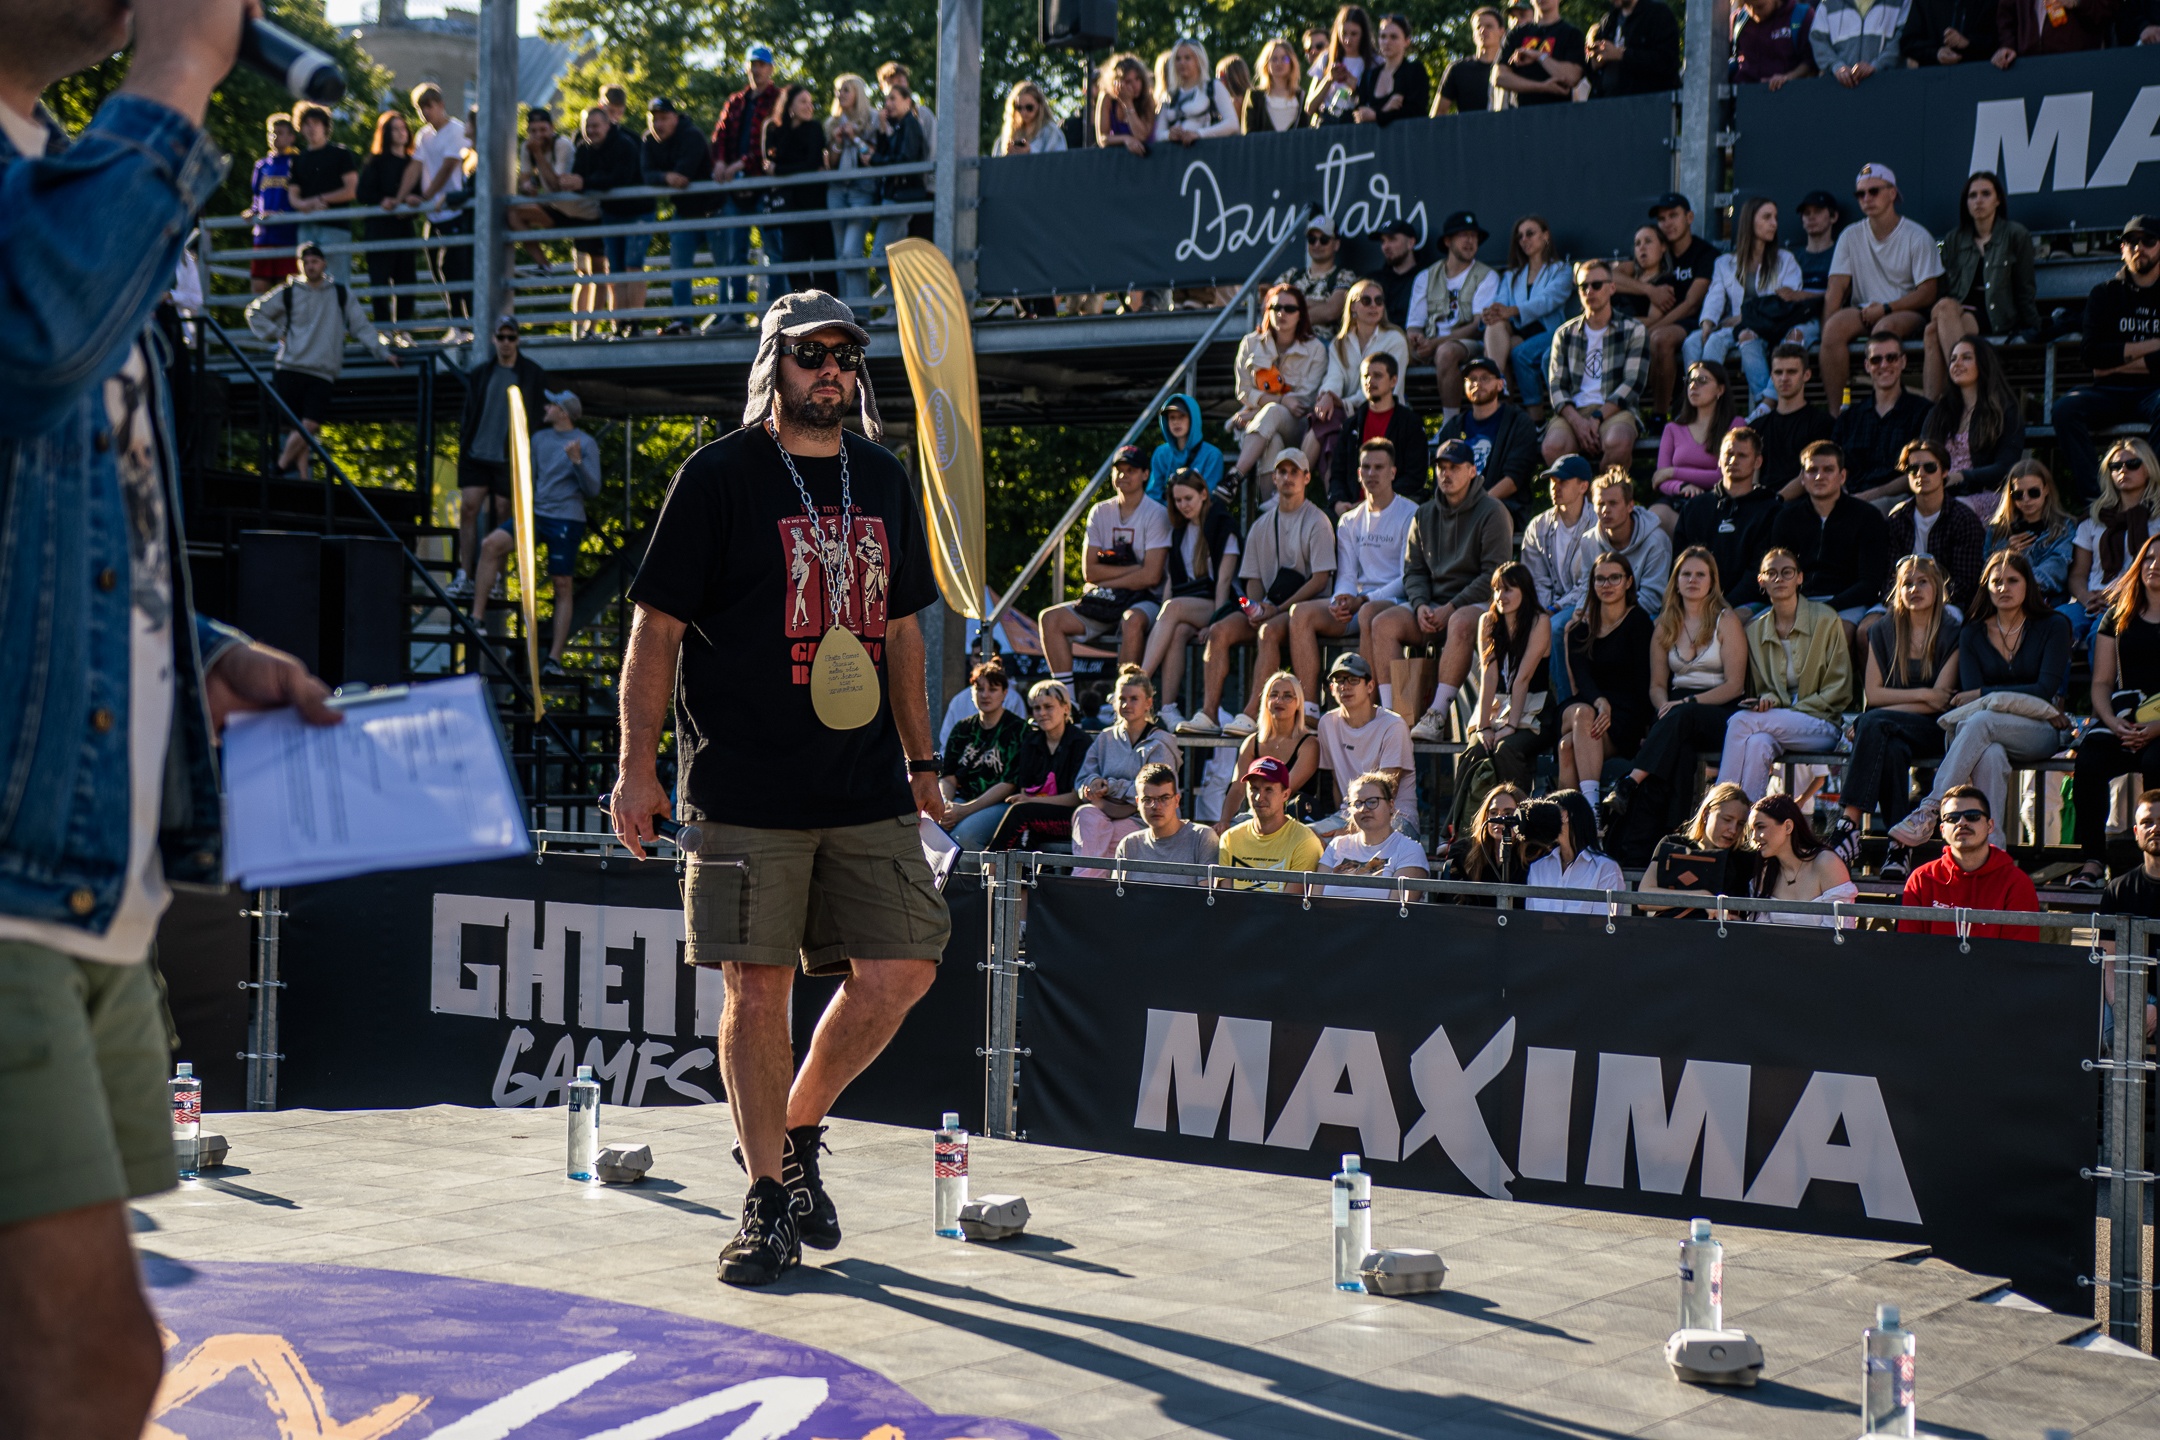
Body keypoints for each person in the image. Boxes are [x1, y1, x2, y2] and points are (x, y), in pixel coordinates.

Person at [2, 8, 350, 1434]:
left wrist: (190, 646)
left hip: (84, 876)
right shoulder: (88, 186)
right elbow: (32, 345)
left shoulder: (59, 173)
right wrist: (176, 74)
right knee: (86, 1362)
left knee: (72, 1360)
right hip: (11, 887)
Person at [610, 291, 944, 1289]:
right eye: (811, 354)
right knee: (756, 989)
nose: (831, 370)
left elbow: (903, 631)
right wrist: (635, 766)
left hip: (865, 784)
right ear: (774, 366)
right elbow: (656, 630)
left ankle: (792, 1131)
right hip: (744, 784)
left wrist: (924, 764)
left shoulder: (881, 476)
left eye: (846, 355)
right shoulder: (717, 477)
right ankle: (765, 1201)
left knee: (904, 966)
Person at [1886, 550, 2073, 850]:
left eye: (2012, 580)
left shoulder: (2054, 625)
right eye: (1996, 581)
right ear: (1986, 587)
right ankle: (1992, 852)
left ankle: (1930, 810)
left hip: (2039, 730)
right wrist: (1988, 696)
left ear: (2028, 584)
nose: (2003, 588)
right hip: (1988, 734)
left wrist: (1986, 694)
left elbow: (2043, 689)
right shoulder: (1973, 632)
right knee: (1990, 754)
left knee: (1983, 720)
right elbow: (1970, 698)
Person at [1607, 547, 1751, 849]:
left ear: (1712, 581)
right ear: (1676, 580)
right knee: (1679, 755)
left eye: (1700, 574)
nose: (1693, 580)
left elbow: (1735, 686)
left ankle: (1630, 781)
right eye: (1686, 574)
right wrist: (1664, 708)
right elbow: (1657, 685)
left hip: (1718, 710)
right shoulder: (1664, 624)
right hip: (1675, 711)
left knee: (1681, 719)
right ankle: (1664, 838)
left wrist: (1685, 705)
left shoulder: (1726, 620)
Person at [1377, 440, 1516, 742]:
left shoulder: (1493, 512)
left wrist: (1451, 607)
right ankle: (1391, 716)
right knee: (1382, 623)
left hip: (1477, 603)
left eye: (1454, 467)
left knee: (1461, 621)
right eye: (1441, 467)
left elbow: (1494, 575)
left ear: (1472, 471)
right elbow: (1414, 570)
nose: (1446, 474)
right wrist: (1420, 605)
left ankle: (1436, 714)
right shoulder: (1424, 514)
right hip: (1432, 605)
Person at [1192, 451, 1336, 736]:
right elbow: (1253, 580)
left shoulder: (1318, 520)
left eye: (1295, 472)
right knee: (1219, 631)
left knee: (1268, 631)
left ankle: (1251, 714)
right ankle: (1208, 714)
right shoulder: (1260, 525)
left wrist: (1274, 610)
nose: (1288, 477)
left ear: (1307, 478)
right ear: (1274, 478)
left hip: (1306, 607)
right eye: (1282, 472)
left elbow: (1320, 580)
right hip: (1271, 607)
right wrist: (1254, 608)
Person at [470, 388, 601, 676]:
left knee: (562, 584)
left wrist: (577, 462)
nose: (545, 408)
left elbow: (593, 489)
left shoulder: (586, 443)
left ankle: (554, 659)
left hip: (566, 519)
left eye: (551, 405)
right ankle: (476, 618)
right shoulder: (540, 439)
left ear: (563, 413)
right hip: (535, 515)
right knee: (491, 544)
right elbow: (527, 478)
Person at [243, 243, 400, 482]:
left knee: (309, 425)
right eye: (305, 262)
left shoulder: (340, 293)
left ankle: (280, 468)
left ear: (324, 263)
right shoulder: (289, 291)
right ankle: (303, 477)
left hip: (322, 371)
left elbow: (360, 326)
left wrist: (383, 353)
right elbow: (254, 312)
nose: (310, 266)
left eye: (314, 261)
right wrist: (277, 333)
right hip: (290, 367)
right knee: (299, 429)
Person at [1845, 555, 1960, 876]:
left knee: (1873, 722)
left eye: (1922, 582)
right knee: (1891, 746)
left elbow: (1941, 704)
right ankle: (1899, 847)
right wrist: (1924, 694)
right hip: (1891, 729)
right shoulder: (1883, 629)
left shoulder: (1952, 631)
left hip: (1935, 729)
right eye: (1907, 583)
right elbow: (1874, 694)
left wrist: (1878, 716)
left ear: (1937, 587)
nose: (1914, 589)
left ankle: (1848, 825)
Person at [1718, 548, 1855, 799]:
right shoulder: (1754, 631)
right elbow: (1760, 689)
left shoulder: (1826, 619)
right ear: (1761, 581)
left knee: (1740, 721)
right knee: (1757, 743)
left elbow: (1840, 689)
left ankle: (1719, 805)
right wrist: (1767, 701)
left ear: (1799, 578)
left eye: (1787, 572)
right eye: (1771, 573)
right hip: (1777, 723)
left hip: (1822, 723)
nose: (1779, 578)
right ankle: (1746, 817)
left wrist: (1790, 708)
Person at [1038, 443, 1171, 687]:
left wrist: (1107, 578)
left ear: (1145, 474)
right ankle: (1067, 699)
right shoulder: (1099, 512)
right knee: (1049, 619)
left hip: (1146, 600)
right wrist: (1135, 569)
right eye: (1118, 469)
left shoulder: (1157, 514)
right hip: (1106, 599)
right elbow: (1089, 572)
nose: (1123, 475)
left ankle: (1123, 696)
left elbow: (1151, 577)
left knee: (1132, 620)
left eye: (1131, 470)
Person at [1296, 438, 1415, 705]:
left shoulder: (1411, 513)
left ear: (1393, 472)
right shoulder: (1349, 520)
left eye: (1379, 467)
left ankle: (1367, 706)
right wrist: (1341, 598)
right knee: (1300, 614)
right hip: (1359, 604)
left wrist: (1364, 600)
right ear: (1358, 473)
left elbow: (1407, 577)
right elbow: (1347, 575)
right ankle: (1310, 709)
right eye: (1366, 468)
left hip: (1396, 602)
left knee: (1369, 613)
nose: (1372, 473)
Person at [2071, 534, 2160, 889]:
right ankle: (2093, 860)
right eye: (2149, 558)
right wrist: (2112, 721)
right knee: (2090, 758)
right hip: (2125, 718)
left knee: (2156, 761)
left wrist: (2155, 729)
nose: (2155, 565)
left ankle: (2154, 861)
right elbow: (2101, 683)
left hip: (2159, 727)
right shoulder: (2119, 615)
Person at [1820, 163, 1943, 418]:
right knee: (1832, 330)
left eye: (1873, 191)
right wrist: (1824, 333)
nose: (1866, 198)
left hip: (1906, 312)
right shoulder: (1850, 236)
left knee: (1883, 331)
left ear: (1892, 193)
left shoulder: (1917, 235)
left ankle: (1888, 409)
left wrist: (1886, 308)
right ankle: (1835, 417)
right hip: (1865, 311)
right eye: (1860, 194)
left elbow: (1928, 293)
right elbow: (1835, 288)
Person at [2053, 217, 2160, 506]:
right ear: (2122, 249)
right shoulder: (2104, 293)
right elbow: (2091, 356)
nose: (2139, 247)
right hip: (2108, 391)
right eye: (2131, 241)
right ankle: (2099, 502)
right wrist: (2154, 345)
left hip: (2154, 391)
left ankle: (2152, 498)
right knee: (2065, 409)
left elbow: (2103, 360)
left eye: (2148, 241)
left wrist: (2115, 360)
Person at [1450, 564, 1554, 836]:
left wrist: (1510, 725)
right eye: (1496, 589)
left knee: (1506, 749)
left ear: (1524, 590)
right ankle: (1458, 831)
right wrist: (1484, 726)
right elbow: (1489, 675)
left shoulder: (1539, 621)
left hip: (1534, 708)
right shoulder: (1487, 621)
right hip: (1498, 706)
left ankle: (1521, 826)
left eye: (1508, 589)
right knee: (1475, 749)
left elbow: (1523, 678)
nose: (1500, 596)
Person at [448, 318, 547, 599]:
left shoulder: (532, 374)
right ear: (493, 339)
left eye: (510, 337)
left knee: (504, 512)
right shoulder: (481, 373)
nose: (505, 342)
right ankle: (464, 574)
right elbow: (469, 411)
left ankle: (498, 580)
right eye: (501, 337)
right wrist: (465, 441)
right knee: (468, 508)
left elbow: (537, 416)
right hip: (477, 452)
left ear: (517, 340)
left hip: (508, 457)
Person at [1925, 171, 2037, 400]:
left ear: (1998, 200)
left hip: (1993, 313)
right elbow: (1943, 288)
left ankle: (1941, 405)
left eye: (1986, 194)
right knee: (1940, 315)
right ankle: (1960, 396)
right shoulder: (1954, 239)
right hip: (1956, 310)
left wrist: (2033, 325)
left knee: (1933, 330)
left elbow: (2025, 287)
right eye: (1972, 195)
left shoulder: (2015, 234)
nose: (1978, 200)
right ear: (1965, 203)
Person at [1558, 552, 1654, 817]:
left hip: (1623, 717)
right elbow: (1581, 678)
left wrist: (1649, 727)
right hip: (1586, 703)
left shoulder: (1638, 622)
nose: (1607, 584)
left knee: (1567, 747)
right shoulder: (1580, 627)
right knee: (1583, 713)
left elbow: (1644, 679)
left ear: (1628, 582)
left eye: (1614, 578)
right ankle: (1592, 810)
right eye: (1600, 579)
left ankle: (1568, 821)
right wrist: (1600, 702)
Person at [1143, 469, 1239, 730]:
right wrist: (1161, 623)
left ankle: (1140, 680)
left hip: (1223, 606)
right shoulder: (1179, 531)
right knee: (1176, 631)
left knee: (1172, 609)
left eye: (1188, 498)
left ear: (1204, 494)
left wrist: (1215, 622)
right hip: (1189, 605)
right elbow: (1172, 582)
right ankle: (1168, 708)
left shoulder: (1222, 526)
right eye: (1177, 500)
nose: (1183, 505)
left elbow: (1224, 582)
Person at [1689, 195, 1801, 411]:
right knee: (1708, 341)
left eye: (1775, 218)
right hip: (1735, 326)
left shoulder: (1785, 260)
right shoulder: (1725, 263)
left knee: (1746, 338)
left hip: (1771, 326)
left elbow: (1784, 301)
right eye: (1767, 217)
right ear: (1749, 221)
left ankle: (1763, 405)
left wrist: (1744, 318)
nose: (1774, 224)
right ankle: (1704, 406)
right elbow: (1715, 295)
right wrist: (1708, 323)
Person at [1771, 440, 1893, 627]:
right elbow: (1777, 571)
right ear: (1802, 477)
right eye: (1812, 470)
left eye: (1828, 470)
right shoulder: (1786, 518)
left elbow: (1869, 583)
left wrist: (1827, 607)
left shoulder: (1867, 516)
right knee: (1755, 630)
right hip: (1797, 602)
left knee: (1838, 631)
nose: (1819, 476)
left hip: (1847, 604)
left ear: (1842, 476)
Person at [1543, 259, 1650, 471]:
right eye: (1583, 286)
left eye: (1597, 285)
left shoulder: (1633, 329)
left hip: (1615, 410)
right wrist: (1577, 422)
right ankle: (1577, 493)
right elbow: (1556, 386)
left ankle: (1605, 491)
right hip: (1573, 411)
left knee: (1618, 442)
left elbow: (1633, 383)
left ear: (1612, 288)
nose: (1589, 291)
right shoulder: (1564, 334)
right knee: (1553, 447)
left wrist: (1597, 417)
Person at [1072, 665, 1180, 871]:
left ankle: (1083, 884)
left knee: (1115, 838)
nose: (1126, 704)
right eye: (1122, 698)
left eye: (1134, 699)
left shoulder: (1160, 743)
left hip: (1144, 817)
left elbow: (1158, 792)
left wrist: (1111, 787)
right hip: (1104, 811)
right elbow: (1082, 779)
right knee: (1085, 814)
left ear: (1148, 702)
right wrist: (1092, 783)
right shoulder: (1105, 738)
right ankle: (1088, 883)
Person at [1897, 785, 2040, 936]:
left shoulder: (2016, 883)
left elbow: (2020, 948)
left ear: (1990, 825)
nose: (1962, 822)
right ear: (1942, 830)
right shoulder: (1921, 879)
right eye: (1952, 818)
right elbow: (1910, 946)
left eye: (1972, 816)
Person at [1228, 285, 1331, 485]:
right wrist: (1281, 400)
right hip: (1256, 428)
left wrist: (1261, 409)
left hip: (1298, 426)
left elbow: (1305, 400)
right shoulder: (1250, 343)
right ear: (1267, 310)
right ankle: (1271, 502)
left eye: (1289, 309)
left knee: (1273, 411)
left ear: (1301, 314)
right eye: (1276, 307)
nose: (1282, 313)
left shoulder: (1315, 349)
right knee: (1272, 439)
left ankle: (1235, 475)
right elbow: (1243, 391)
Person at [710, 46, 782, 318]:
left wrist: (743, 163)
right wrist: (719, 161)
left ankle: (778, 313)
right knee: (735, 251)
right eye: (753, 64)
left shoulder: (778, 99)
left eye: (762, 65)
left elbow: (773, 141)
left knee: (774, 250)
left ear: (771, 69)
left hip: (763, 185)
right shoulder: (736, 101)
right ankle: (735, 314)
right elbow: (719, 135)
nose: (756, 69)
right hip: (735, 186)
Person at [1880, 438, 1986, 620]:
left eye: (1929, 467)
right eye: (1913, 469)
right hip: (1902, 599)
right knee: (1867, 629)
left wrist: (1928, 601)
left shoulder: (1964, 519)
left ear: (1944, 472)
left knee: (1936, 624)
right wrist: (1899, 600)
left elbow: (1965, 582)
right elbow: (1888, 575)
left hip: (1948, 603)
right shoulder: (1897, 518)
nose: (1920, 474)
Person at [1314, 653, 1419, 834]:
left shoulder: (1393, 725)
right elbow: (1336, 782)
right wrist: (1343, 826)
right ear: (1331, 688)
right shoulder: (1327, 723)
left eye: (1354, 680)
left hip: (1394, 817)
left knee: (1367, 843)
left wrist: (1348, 834)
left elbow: (1386, 791)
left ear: (1370, 686)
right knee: (1306, 839)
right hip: (1347, 815)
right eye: (1339, 681)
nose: (1345, 686)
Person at [2068, 439, 2160, 646]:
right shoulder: (2093, 518)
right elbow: (2078, 574)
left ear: (2148, 469)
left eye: (2132, 464)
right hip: (2089, 600)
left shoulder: (2157, 520)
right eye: (2115, 466)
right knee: (2055, 626)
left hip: (2137, 600)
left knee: (2100, 632)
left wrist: (2118, 594)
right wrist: (2087, 598)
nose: (2123, 470)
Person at [1638, 192, 1722, 417]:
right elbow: (1614, 276)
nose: (1667, 223)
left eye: (1673, 215)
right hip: (1658, 323)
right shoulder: (1655, 249)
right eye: (1662, 219)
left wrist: (1652, 328)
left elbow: (1692, 304)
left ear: (1689, 217)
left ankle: (1659, 415)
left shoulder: (1705, 254)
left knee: (1660, 339)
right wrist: (1648, 290)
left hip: (1696, 323)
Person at [566, 104, 649, 334]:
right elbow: (578, 177)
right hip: (611, 214)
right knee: (615, 270)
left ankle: (635, 322)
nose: (591, 131)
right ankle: (619, 324)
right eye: (587, 126)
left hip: (638, 212)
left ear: (608, 125)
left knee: (633, 266)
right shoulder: (584, 149)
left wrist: (586, 182)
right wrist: (579, 182)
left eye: (596, 126)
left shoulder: (624, 144)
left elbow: (619, 178)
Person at [1677, 427, 1781, 608]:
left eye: (1742, 455)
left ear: (1757, 461)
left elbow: (1760, 570)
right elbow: (1681, 564)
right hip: (1696, 604)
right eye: (1729, 454)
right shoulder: (1694, 508)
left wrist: (1724, 606)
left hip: (1750, 606)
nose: (1733, 461)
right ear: (1719, 459)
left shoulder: (1771, 510)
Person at [644, 97, 723, 330]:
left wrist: (664, 176)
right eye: (654, 119)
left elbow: (684, 175)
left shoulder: (692, 135)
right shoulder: (649, 140)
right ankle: (682, 321)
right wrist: (665, 177)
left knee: (726, 267)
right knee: (679, 269)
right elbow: (646, 174)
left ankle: (728, 317)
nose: (658, 124)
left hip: (713, 210)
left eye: (664, 118)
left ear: (675, 118)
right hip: (684, 212)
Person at [1315, 281, 1413, 468]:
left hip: (1383, 413)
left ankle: (1304, 471)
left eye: (1379, 301)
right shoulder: (1340, 342)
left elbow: (1386, 388)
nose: (1374, 306)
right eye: (1366, 301)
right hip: (1348, 415)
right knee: (1326, 424)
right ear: (1353, 306)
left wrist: (1343, 403)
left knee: (1324, 425)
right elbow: (1334, 377)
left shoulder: (1395, 339)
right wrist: (1327, 395)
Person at [1412, 211, 1499, 412]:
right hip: (1429, 344)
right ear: (1447, 241)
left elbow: (1477, 327)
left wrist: (1435, 344)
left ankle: (1450, 422)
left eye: (1474, 236)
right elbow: (1414, 325)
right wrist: (1416, 339)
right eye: (1463, 235)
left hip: (1467, 345)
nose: (1470, 241)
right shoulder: (1426, 276)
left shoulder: (1487, 276)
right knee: (1393, 351)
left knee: (1446, 352)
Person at [987, 680, 1091, 849]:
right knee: (1024, 832)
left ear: (1066, 708)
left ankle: (990, 859)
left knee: (1021, 812)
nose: (1042, 713)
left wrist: (1030, 800)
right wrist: (1029, 800)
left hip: (1072, 816)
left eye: (1048, 707)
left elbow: (1076, 798)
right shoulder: (1031, 742)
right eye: (1036, 708)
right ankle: (1002, 863)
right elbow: (1025, 789)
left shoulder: (1080, 742)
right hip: (1037, 812)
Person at [1922, 336, 2025, 502]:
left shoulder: (2005, 410)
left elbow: (2006, 467)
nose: (1957, 364)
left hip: (1984, 494)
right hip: (1938, 494)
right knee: (1899, 510)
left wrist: (1962, 476)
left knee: (1957, 509)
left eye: (1966, 358)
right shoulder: (1938, 412)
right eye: (1953, 359)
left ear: (1983, 363)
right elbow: (1922, 456)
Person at [1560, 469, 1674, 619]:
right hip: (1601, 609)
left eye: (1613, 503)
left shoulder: (1656, 541)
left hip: (1641, 612)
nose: (1605, 510)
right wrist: (1582, 610)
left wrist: (1608, 619)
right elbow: (1587, 589)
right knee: (1558, 626)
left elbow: (1652, 599)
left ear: (1630, 506)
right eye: (1600, 504)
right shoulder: (1589, 540)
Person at [1835, 333, 1935, 504]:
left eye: (1891, 358)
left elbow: (1921, 470)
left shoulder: (1923, 412)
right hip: (1849, 500)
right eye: (1876, 360)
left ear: (1903, 362)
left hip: (1900, 501)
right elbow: (1833, 464)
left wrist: (1868, 497)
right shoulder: (1849, 418)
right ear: (1867, 366)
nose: (1884, 365)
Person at [938, 659, 1027, 850]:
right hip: (962, 799)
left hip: (1000, 803)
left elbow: (1009, 783)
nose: (985, 695)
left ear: (1005, 693)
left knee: (964, 837)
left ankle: (973, 873)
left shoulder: (1018, 729)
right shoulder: (962, 728)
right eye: (979, 689)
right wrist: (945, 804)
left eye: (993, 689)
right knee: (935, 830)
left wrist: (965, 811)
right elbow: (948, 776)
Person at [1217, 671, 1324, 826]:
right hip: (1257, 815)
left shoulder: (1309, 744)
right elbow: (1237, 789)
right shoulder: (1252, 742)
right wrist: (1224, 822)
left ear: (1298, 703)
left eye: (1287, 696)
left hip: (1295, 820)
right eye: (1273, 695)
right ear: (1265, 701)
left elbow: (1284, 791)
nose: (1279, 700)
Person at [1327, 352, 1428, 510]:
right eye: (1365, 376)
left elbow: (1415, 476)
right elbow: (1337, 473)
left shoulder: (1410, 423)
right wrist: (1338, 502)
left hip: (1395, 509)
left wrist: (1376, 502)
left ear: (1393, 381)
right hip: (1352, 510)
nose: (1370, 381)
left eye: (1377, 376)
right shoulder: (1351, 425)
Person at [410, 84, 473, 338]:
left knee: (454, 269)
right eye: (421, 108)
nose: (425, 112)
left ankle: (464, 324)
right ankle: (456, 323)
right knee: (437, 271)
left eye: (429, 106)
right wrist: (402, 198)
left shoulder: (456, 130)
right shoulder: (423, 135)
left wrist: (425, 196)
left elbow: (448, 167)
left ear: (441, 105)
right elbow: (415, 166)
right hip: (433, 213)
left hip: (454, 210)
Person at [1485, 215, 1569, 406]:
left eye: (1530, 234)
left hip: (1548, 333)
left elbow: (1548, 301)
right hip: (1518, 333)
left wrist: (1512, 311)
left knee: (1511, 351)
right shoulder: (1512, 275)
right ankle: (1497, 381)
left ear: (1545, 236)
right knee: (1495, 326)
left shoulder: (1561, 269)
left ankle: (1524, 411)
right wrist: (1493, 311)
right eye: (1520, 236)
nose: (1524, 240)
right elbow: (1501, 303)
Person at [1637, 783, 1756, 915]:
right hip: (1673, 926)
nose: (1733, 830)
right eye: (1727, 820)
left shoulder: (1744, 858)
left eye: (1740, 824)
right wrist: (1701, 897)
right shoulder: (1673, 844)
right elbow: (1644, 897)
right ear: (1706, 814)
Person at [764, 84, 836, 296]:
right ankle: (803, 309)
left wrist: (781, 170)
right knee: (793, 259)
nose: (809, 106)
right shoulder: (774, 130)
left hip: (816, 203)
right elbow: (768, 162)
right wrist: (784, 168)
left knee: (823, 261)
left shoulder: (814, 128)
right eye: (803, 102)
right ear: (790, 106)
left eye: (810, 102)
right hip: (790, 206)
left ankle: (828, 310)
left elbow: (812, 162)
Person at [1216, 755, 1326, 892]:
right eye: (1254, 788)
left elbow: (1291, 901)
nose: (1259, 797)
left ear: (1285, 795)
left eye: (1268, 789)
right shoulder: (1230, 838)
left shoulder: (1305, 841)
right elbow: (1226, 898)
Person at [1651, 361, 1739, 532]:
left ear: (1720, 390)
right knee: (1655, 516)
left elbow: (1723, 475)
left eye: (1702, 380)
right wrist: (1682, 486)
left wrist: (1673, 472)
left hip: (1717, 497)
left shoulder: (1735, 425)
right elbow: (1660, 479)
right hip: (1679, 497)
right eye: (1690, 381)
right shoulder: (1672, 428)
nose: (1693, 386)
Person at [356, 110, 422, 335]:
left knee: (407, 281)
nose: (401, 133)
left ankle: (404, 331)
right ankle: (383, 331)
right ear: (385, 133)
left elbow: (421, 193)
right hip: (379, 230)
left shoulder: (414, 163)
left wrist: (414, 201)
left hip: (404, 228)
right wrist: (381, 200)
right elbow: (362, 193)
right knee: (379, 282)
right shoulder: (375, 162)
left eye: (404, 128)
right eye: (395, 129)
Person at [2102, 790, 2160, 1044]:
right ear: (2136, 832)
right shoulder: (2118, 889)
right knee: (2106, 1032)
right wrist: (2119, 1004)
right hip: (2129, 994)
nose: (2155, 828)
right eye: (2147, 822)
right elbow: (2108, 958)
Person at [1983, 458, 2077, 615]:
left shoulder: (2063, 527)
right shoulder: (1997, 530)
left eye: (2033, 493)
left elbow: (2056, 570)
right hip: (2003, 605)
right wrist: (2006, 555)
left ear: (2046, 489)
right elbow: (1987, 574)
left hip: (2049, 603)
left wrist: (2015, 577)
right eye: (2018, 494)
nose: (2026, 499)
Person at [1747, 793, 1857, 925]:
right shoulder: (1764, 874)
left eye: (1760, 827)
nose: (1754, 837)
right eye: (1752, 830)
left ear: (1788, 826)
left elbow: (1840, 930)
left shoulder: (1827, 862)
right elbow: (1760, 931)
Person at [1319, 772, 1430, 898]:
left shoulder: (1409, 850)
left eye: (1372, 802)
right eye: (1357, 804)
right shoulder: (1337, 845)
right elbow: (1315, 900)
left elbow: (1397, 907)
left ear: (1391, 805)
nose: (1364, 809)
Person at [287, 102, 359, 286]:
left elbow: (352, 190)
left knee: (337, 284)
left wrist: (320, 199)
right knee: (307, 283)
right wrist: (305, 205)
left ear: (325, 126)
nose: (311, 128)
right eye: (307, 124)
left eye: (316, 123)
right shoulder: (298, 159)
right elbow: (293, 195)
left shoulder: (341, 154)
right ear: (300, 128)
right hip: (306, 227)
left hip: (335, 227)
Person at [1524, 453, 1602, 620]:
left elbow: (1590, 582)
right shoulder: (1537, 526)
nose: (1555, 487)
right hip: (1544, 608)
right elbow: (1536, 580)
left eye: (1563, 482)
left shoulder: (1598, 525)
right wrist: (1544, 611)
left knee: (1556, 626)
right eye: (1553, 481)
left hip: (1587, 604)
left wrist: (1555, 608)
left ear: (1583, 487)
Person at [1753, 343, 1836, 498]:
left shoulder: (1822, 424)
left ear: (1806, 375)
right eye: (1778, 372)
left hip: (1804, 504)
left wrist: (1776, 500)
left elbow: (1812, 473)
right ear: (1772, 377)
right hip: (1762, 504)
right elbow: (1751, 476)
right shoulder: (1757, 427)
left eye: (1791, 372)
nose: (1784, 378)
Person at [867, 81, 929, 289]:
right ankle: (902, 302)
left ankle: (906, 298)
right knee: (895, 258)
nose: (888, 104)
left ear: (907, 101)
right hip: (897, 197)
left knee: (879, 256)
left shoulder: (910, 125)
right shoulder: (902, 126)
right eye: (886, 99)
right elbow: (889, 154)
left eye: (893, 98)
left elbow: (903, 161)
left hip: (901, 198)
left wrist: (874, 159)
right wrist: (882, 129)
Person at [1115, 762, 1221, 882]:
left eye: (1164, 798)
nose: (1156, 806)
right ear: (1138, 803)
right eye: (1148, 799)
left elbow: (1206, 892)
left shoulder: (1202, 837)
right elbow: (1117, 892)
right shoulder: (1129, 845)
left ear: (1177, 800)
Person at [827, 75, 882, 303]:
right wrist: (838, 142)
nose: (840, 94)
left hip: (862, 189)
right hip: (837, 189)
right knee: (840, 255)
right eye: (838, 90)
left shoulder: (873, 119)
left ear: (858, 93)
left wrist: (855, 137)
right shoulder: (832, 123)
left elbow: (873, 156)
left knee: (851, 252)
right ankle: (843, 312)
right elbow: (830, 163)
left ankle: (859, 311)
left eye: (846, 90)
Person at [1522, 791, 1626, 911]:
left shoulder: (1606, 868)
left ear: (1565, 815)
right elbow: (1531, 918)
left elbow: (1606, 920)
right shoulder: (1538, 868)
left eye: (1550, 812)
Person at [1438, 782, 1530, 893]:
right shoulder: (1462, 852)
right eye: (1493, 812)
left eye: (1508, 813)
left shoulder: (1533, 855)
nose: (1500, 819)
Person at [247, 112, 301, 295]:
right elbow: (256, 197)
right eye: (272, 132)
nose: (274, 137)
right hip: (263, 236)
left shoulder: (297, 162)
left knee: (286, 291)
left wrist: (281, 214)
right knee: (259, 290)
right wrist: (252, 211)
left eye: (280, 132)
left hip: (287, 236)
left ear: (291, 137)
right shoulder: (261, 165)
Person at [1494, 0, 1587, 106]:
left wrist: (1539, 56)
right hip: (1521, 112)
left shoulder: (1572, 34)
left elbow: (1572, 77)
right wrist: (1543, 86)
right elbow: (1499, 78)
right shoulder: (1515, 34)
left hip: (1558, 111)